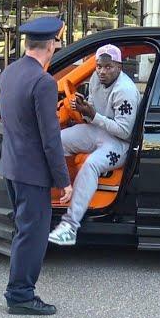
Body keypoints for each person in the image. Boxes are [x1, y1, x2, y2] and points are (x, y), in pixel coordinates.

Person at [0, 16, 73, 316]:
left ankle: (18, 291)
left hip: (12, 166)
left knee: (24, 231)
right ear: (52, 44)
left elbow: (0, 115)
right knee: (33, 235)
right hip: (32, 172)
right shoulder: (43, 82)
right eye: (57, 41)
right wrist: (64, 181)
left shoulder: (10, 72)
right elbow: (51, 139)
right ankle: (20, 296)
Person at [48, 44, 140, 246]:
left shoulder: (125, 90)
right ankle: (61, 189)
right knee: (57, 141)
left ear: (119, 66)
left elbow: (125, 132)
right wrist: (82, 110)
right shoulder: (95, 80)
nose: (102, 71)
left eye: (108, 67)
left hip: (121, 144)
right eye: (99, 66)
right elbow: (92, 112)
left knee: (91, 165)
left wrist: (93, 115)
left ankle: (70, 225)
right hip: (98, 130)